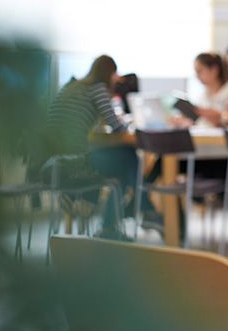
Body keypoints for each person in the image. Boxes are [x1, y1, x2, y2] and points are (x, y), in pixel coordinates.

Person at [44, 55, 152, 239]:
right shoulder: (98, 88)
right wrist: (128, 123)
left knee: (122, 165)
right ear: (110, 73)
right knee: (127, 156)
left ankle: (114, 226)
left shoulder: (70, 86)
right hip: (76, 161)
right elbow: (117, 126)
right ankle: (145, 212)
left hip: (54, 159)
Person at [172, 52, 228, 128]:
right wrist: (184, 121)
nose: (197, 76)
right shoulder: (203, 95)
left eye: (200, 71)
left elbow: (227, 120)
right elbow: (200, 121)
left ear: (214, 70)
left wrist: (217, 116)